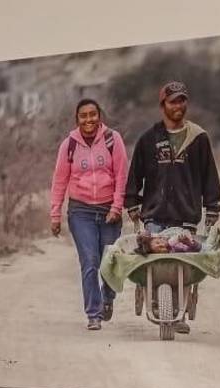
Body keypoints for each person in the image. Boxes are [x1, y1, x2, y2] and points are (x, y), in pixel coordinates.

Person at [124, 80, 220, 334]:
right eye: (173, 101)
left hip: (186, 216)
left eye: (182, 101)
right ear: (162, 105)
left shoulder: (198, 138)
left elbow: (209, 175)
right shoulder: (149, 139)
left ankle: (178, 312)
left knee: (183, 264)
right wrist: (132, 202)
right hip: (155, 214)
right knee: (156, 262)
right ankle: (153, 297)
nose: (178, 106)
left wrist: (212, 208)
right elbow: (135, 175)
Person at [49, 98, 128, 331]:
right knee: (90, 261)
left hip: (108, 210)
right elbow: (59, 180)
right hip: (80, 210)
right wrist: (55, 215)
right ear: (77, 119)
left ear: (99, 116)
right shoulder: (69, 146)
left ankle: (108, 298)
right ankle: (93, 313)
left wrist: (116, 207)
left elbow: (122, 175)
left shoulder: (113, 140)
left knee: (110, 262)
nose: (88, 119)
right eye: (83, 116)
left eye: (92, 114)